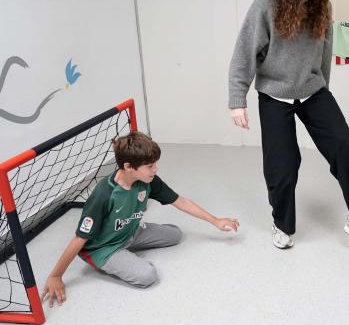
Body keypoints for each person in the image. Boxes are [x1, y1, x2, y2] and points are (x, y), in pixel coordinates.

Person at [227, 0, 349, 249]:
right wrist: (237, 100)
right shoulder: (266, 5)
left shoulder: (322, 6)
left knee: (345, 145)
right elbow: (245, 52)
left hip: (312, 90)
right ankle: (281, 224)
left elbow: (326, 51)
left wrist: (323, 87)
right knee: (282, 164)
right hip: (275, 93)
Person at [41, 131, 240, 306]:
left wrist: (215, 221)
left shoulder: (147, 180)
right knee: (148, 276)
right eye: (150, 166)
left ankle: (130, 242)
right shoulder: (104, 194)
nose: (155, 170)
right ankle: (117, 257)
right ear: (128, 166)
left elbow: (180, 201)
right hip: (104, 248)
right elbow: (79, 239)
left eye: (155, 164)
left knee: (176, 235)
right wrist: (56, 275)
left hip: (129, 231)